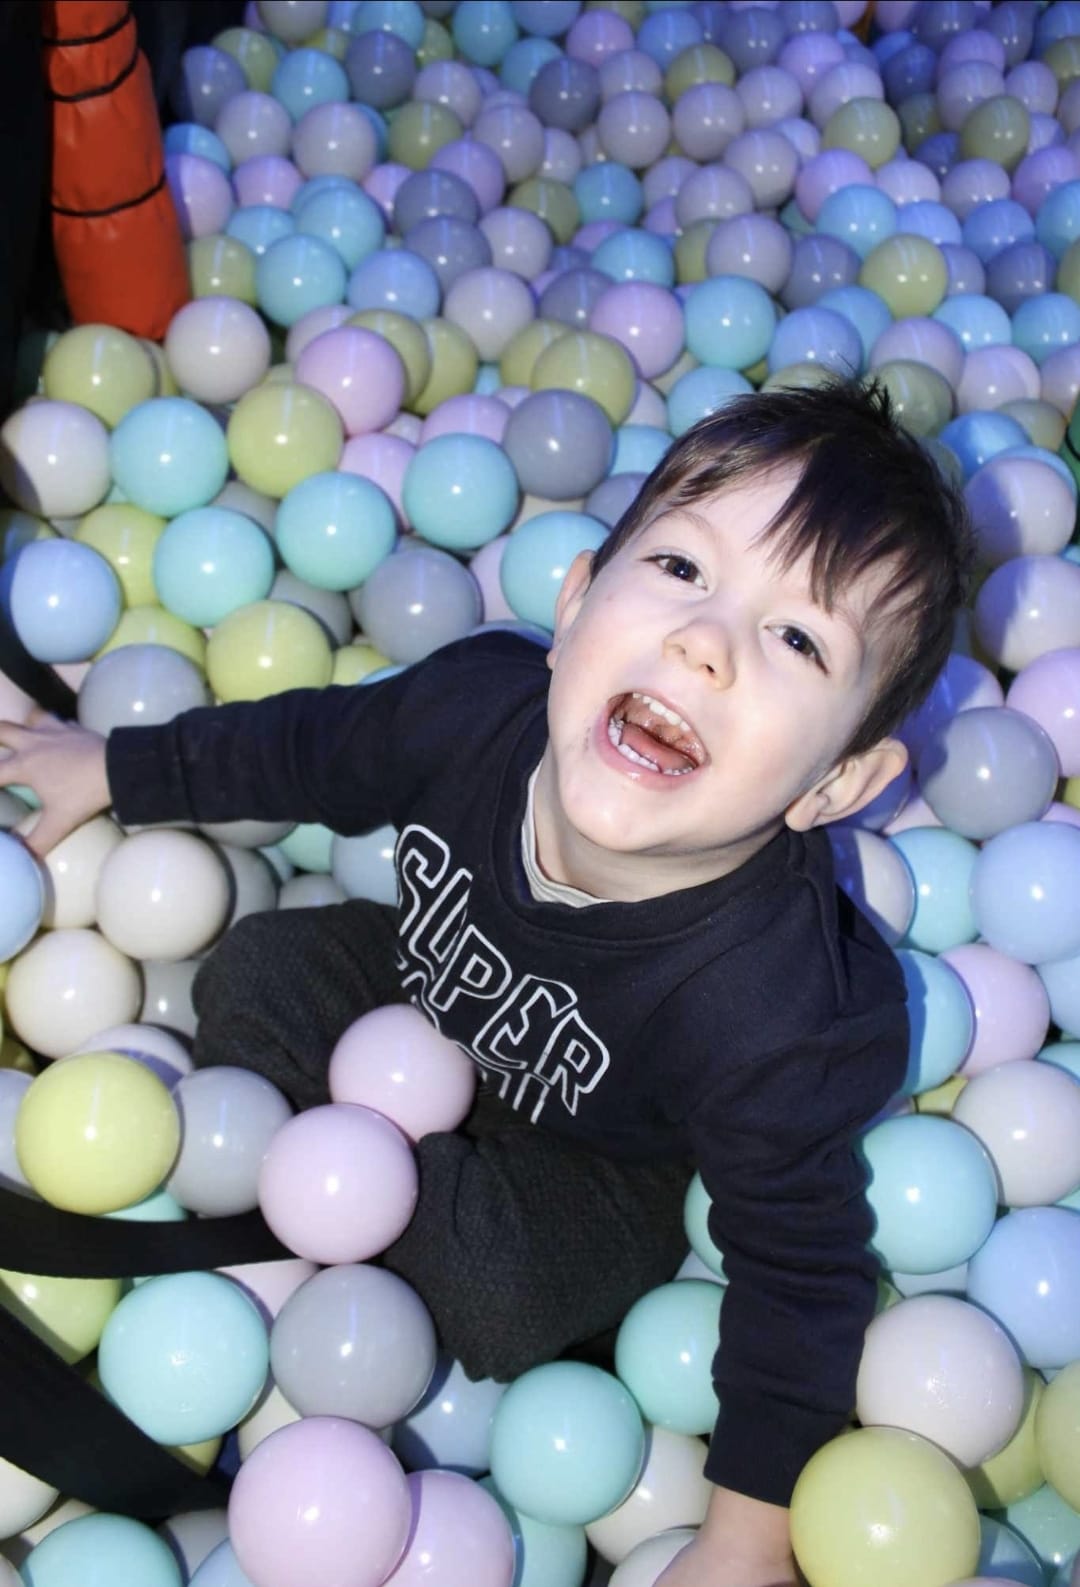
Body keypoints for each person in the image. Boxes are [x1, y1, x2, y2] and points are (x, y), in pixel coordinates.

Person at [0, 380, 973, 1587]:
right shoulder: (471, 712)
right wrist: (116, 767)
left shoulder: (771, 1009)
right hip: (417, 993)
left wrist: (742, 1537)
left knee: (503, 1297)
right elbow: (306, 749)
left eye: (797, 640)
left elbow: (800, 1274)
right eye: (681, 568)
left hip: (598, 1157)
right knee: (257, 966)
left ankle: (338, 1221)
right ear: (574, 604)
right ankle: (308, 1203)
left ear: (835, 786)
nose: (704, 643)